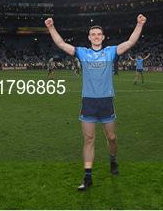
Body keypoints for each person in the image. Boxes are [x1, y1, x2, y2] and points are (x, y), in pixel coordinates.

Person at [45, 14, 147, 191]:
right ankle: (88, 177)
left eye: (99, 34)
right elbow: (62, 44)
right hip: (89, 102)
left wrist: (139, 24)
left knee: (112, 138)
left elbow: (130, 42)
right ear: (89, 37)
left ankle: (113, 160)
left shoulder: (110, 52)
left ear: (103, 37)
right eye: (93, 34)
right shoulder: (83, 53)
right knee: (89, 139)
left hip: (106, 102)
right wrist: (51, 27)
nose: (96, 36)